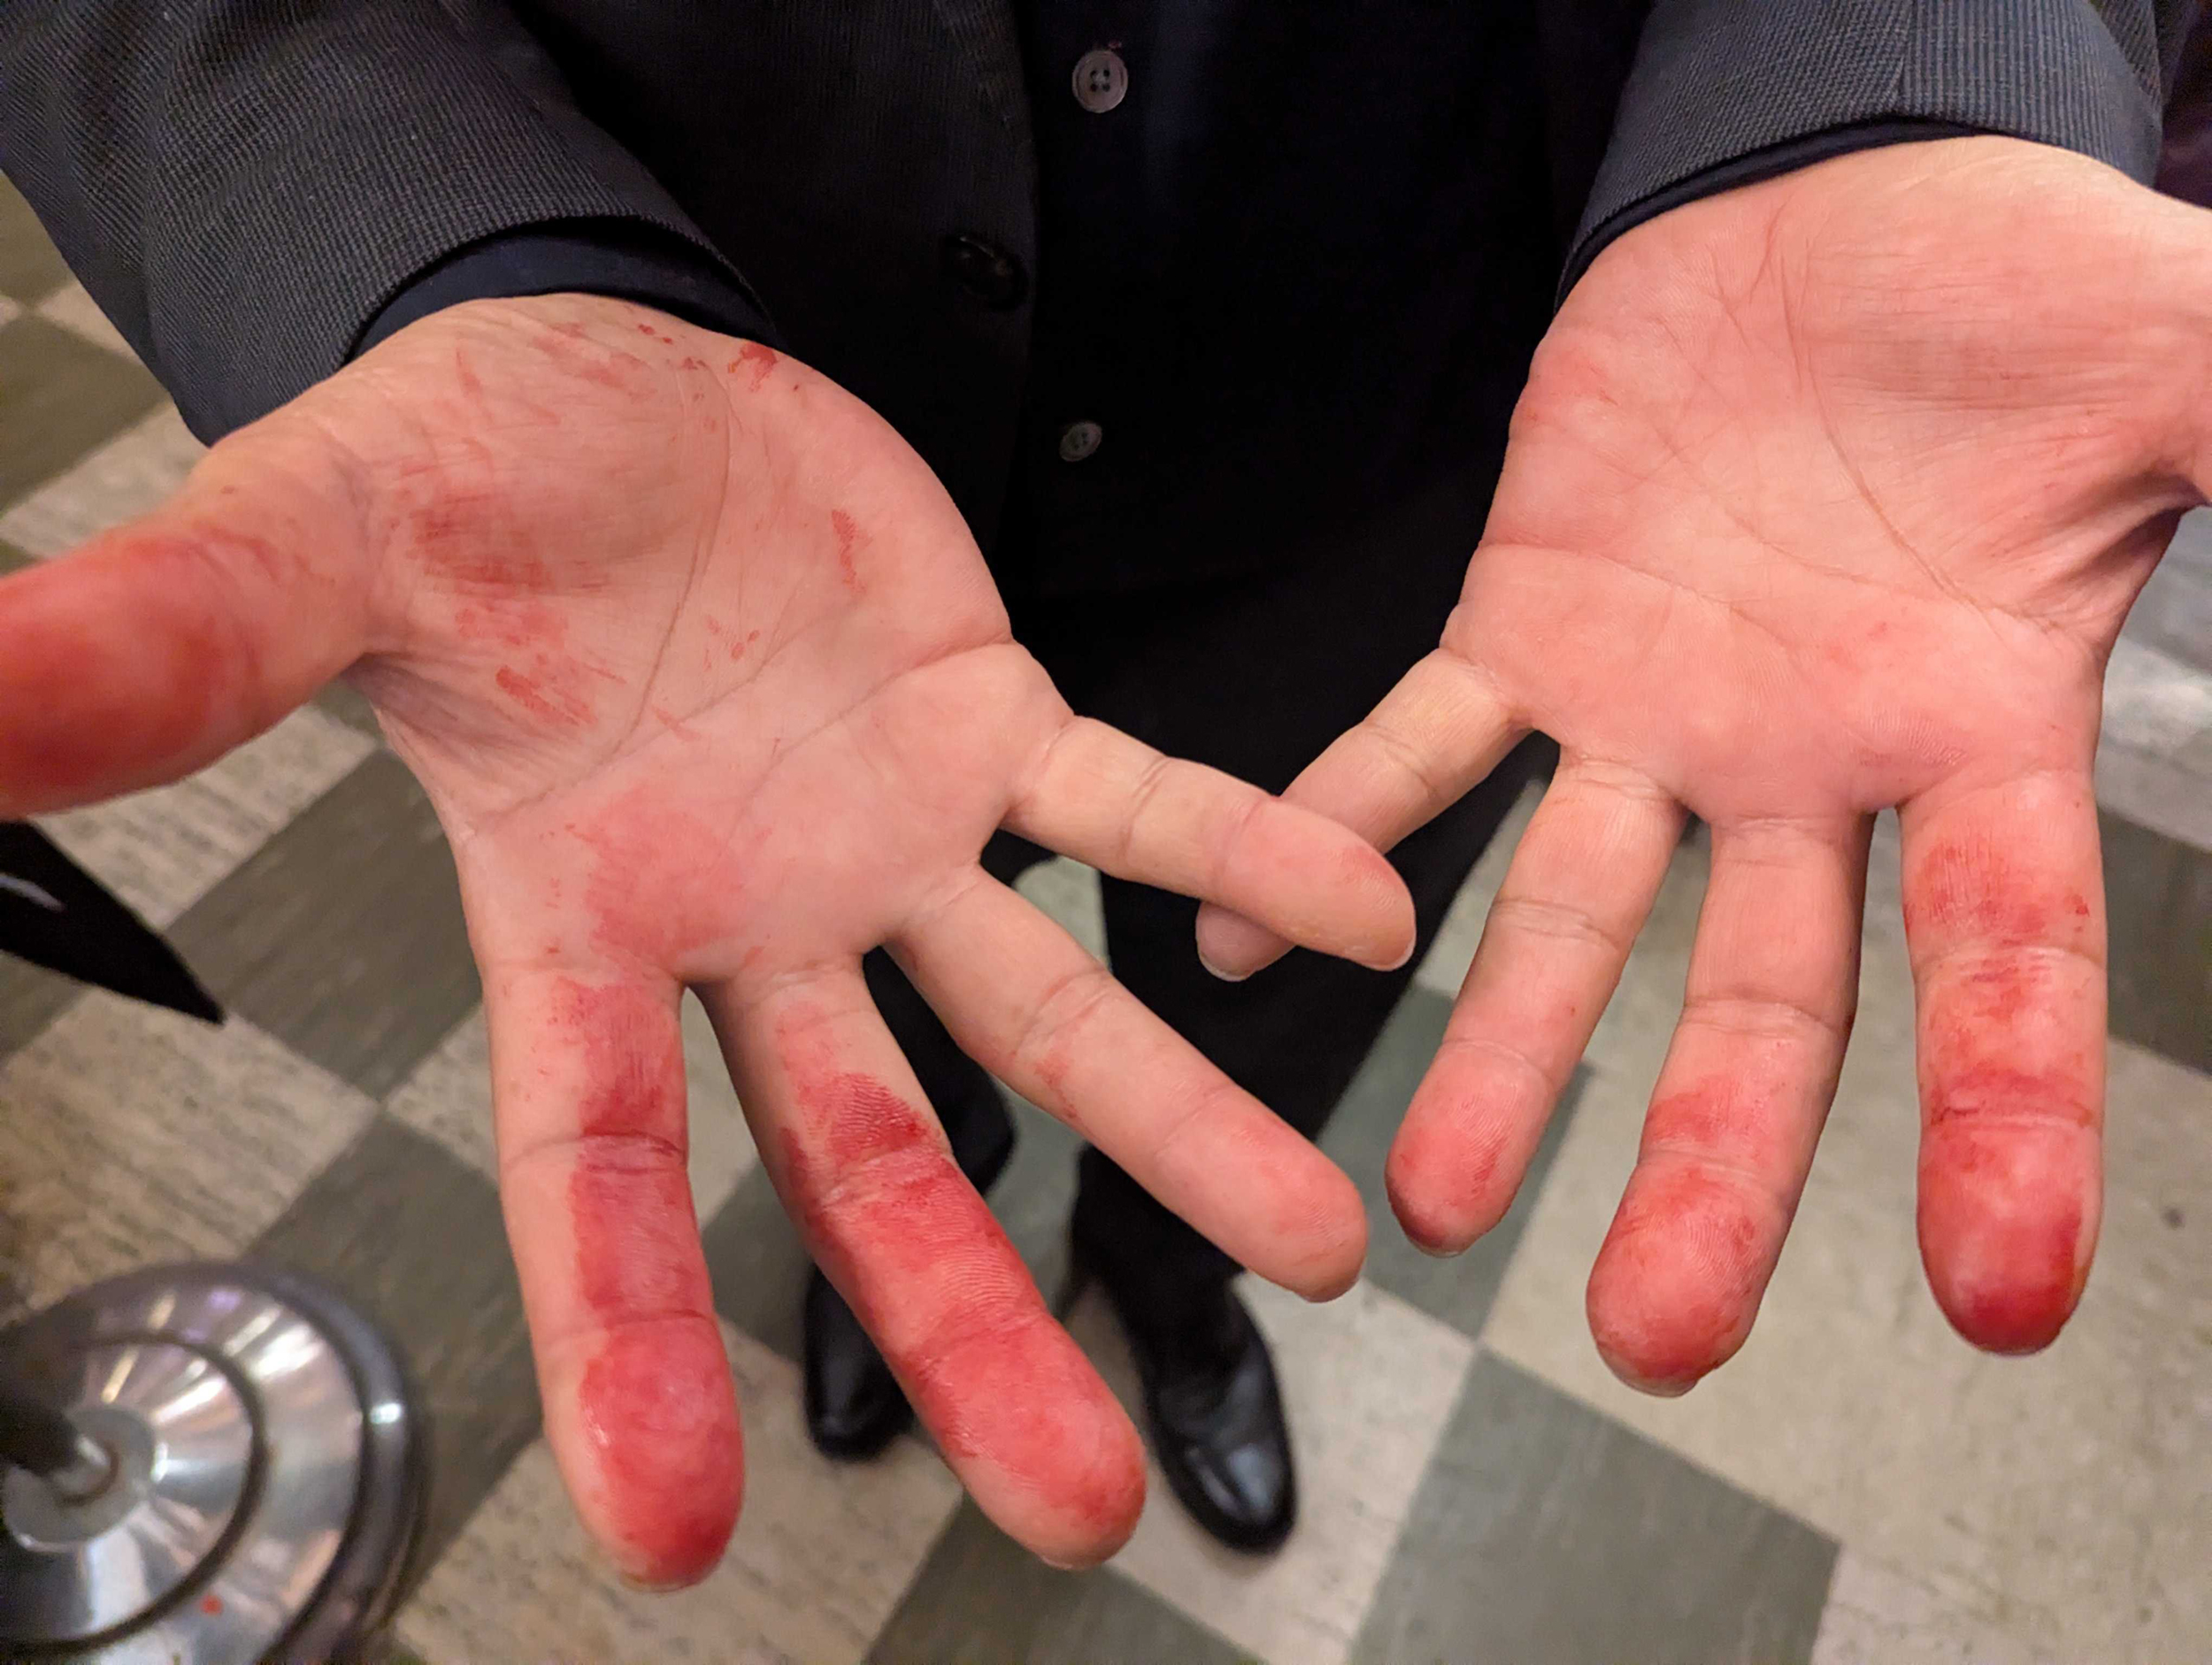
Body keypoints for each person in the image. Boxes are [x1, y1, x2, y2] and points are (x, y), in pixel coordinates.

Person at [1, 0, 2203, 1585]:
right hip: (708, 467)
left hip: (1432, 430)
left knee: (1285, 969)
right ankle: (902, 1249)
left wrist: (1884, 75)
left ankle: (1170, 1279)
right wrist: (429, 255)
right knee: (850, 1003)